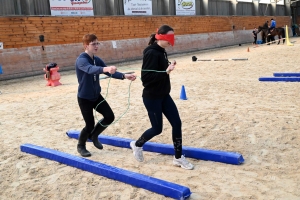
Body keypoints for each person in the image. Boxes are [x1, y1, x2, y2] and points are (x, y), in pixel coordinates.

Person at [130, 25, 194, 170]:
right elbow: (146, 78)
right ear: (162, 37)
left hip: (164, 95)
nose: (172, 40)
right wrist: (166, 71)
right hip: (152, 97)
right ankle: (137, 144)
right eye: (170, 37)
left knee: (177, 123)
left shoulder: (162, 51)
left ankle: (178, 157)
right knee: (157, 128)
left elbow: (159, 71)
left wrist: (168, 67)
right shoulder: (151, 53)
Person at [75, 33, 136, 157]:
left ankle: (94, 135)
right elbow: (90, 69)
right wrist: (105, 69)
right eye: (93, 44)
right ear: (86, 46)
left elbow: (109, 72)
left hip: (96, 96)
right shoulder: (81, 60)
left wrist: (124, 76)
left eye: (98, 43)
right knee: (89, 124)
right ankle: (81, 145)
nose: (96, 46)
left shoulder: (97, 59)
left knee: (109, 116)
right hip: (84, 98)